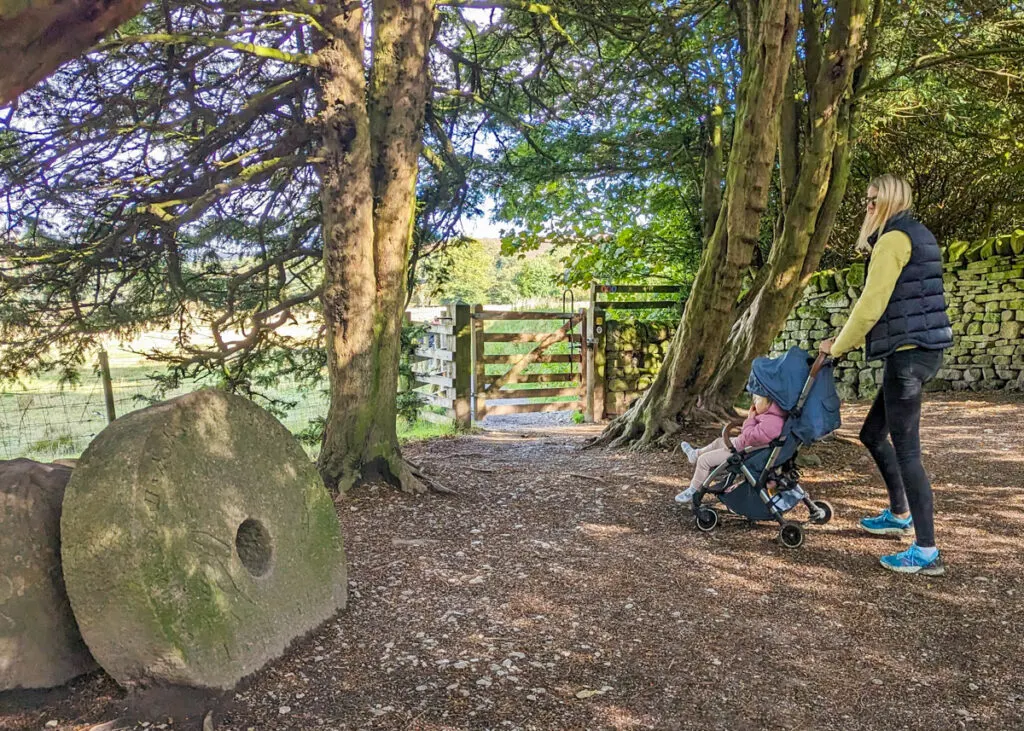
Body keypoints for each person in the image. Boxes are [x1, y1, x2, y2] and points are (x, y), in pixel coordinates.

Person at [819, 174, 952, 576]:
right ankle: (899, 512)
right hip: (920, 348)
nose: (868, 206)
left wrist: (836, 347)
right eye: (866, 199)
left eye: (874, 200)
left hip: (909, 355)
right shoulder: (915, 233)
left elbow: (870, 304)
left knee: (908, 450)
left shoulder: (894, 239)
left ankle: (926, 551)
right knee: (872, 433)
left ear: (892, 201)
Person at [674, 393, 786, 504]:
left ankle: (693, 490)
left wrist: (750, 419)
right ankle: (695, 454)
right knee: (718, 442)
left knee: (704, 461)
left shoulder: (772, 422)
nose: (754, 402)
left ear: (770, 403)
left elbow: (751, 437)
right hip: (741, 446)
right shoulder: (769, 416)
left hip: (742, 453)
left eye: (757, 399)